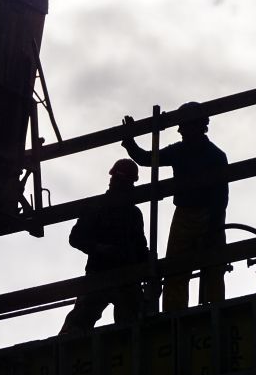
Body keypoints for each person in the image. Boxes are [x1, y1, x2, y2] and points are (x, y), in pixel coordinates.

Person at [122, 102, 229, 312]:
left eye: (183, 125)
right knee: (176, 272)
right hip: (186, 216)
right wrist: (130, 142)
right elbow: (147, 159)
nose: (179, 130)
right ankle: (175, 317)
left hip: (209, 216)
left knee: (213, 269)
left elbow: (221, 198)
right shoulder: (185, 152)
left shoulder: (214, 156)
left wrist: (214, 226)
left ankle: (216, 313)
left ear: (197, 125)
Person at [59, 159, 149, 334]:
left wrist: (148, 261)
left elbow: (139, 246)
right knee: (77, 324)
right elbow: (76, 238)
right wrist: (99, 248)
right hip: (100, 274)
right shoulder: (98, 207)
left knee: (133, 324)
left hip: (125, 276)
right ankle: (62, 351)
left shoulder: (132, 213)